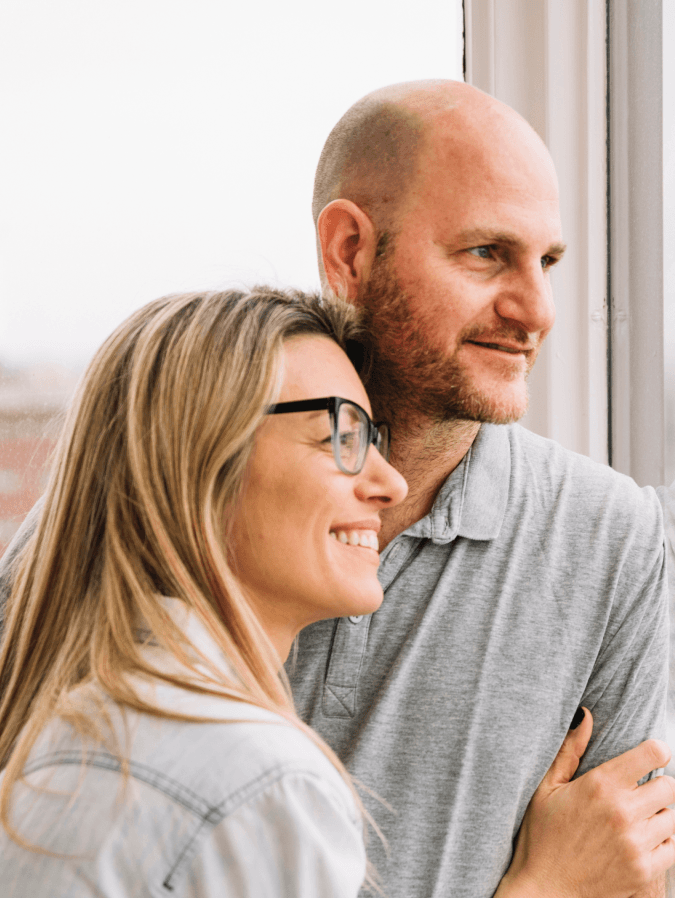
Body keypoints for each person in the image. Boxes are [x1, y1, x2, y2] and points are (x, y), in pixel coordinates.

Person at [284, 79, 675, 897]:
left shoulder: (613, 542)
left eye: (548, 262)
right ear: (349, 251)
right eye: (485, 254)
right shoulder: (164, 496)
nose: (536, 310)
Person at [0, 286, 410, 896]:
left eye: (372, 438)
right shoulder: (260, 783)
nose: (391, 483)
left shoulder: (68, 736)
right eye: (340, 437)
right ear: (204, 464)